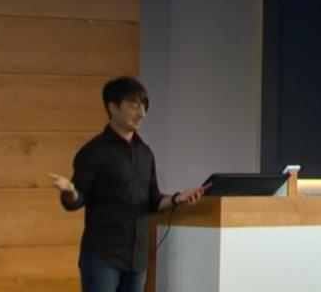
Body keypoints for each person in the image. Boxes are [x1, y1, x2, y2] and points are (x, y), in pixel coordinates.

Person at [48, 77, 207, 292]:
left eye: (144, 106)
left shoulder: (145, 153)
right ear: (113, 107)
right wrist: (70, 191)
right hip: (102, 256)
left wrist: (178, 198)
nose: (141, 113)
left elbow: (153, 200)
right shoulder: (94, 151)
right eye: (133, 105)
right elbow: (76, 200)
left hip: (137, 258)